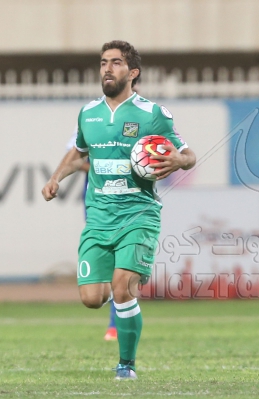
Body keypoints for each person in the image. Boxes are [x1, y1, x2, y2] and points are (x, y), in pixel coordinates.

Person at [42, 40, 196, 379]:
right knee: (92, 298)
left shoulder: (152, 114)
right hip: (99, 217)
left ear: (133, 72)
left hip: (138, 214)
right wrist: (56, 178)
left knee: (122, 286)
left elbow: (189, 155)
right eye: (103, 63)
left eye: (115, 62)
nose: (107, 69)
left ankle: (126, 365)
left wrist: (178, 160)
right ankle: (121, 311)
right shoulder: (88, 113)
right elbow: (78, 152)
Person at [65, 128, 118, 341]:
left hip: (130, 201)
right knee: (106, 265)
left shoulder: (141, 118)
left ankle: (116, 323)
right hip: (98, 203)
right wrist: (106, 169)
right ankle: (116, 319)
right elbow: (74, 158)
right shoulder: (91, 119)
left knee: (122, 264)